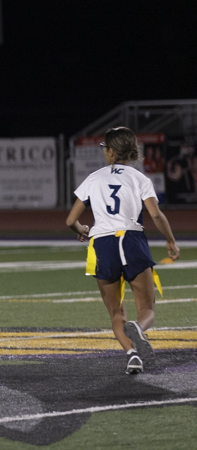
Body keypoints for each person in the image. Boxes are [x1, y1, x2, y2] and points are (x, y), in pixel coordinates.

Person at [65, 126, 180, 374]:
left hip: (102, 244)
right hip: (131, 239)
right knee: (146, 310)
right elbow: (156, 215)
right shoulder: (139, 178)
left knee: (116, 311)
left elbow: (70, 220)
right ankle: (139, 329)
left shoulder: (94, 178)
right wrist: (170, 240)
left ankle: (131, 355)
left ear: (111, 151)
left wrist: (82, 229)